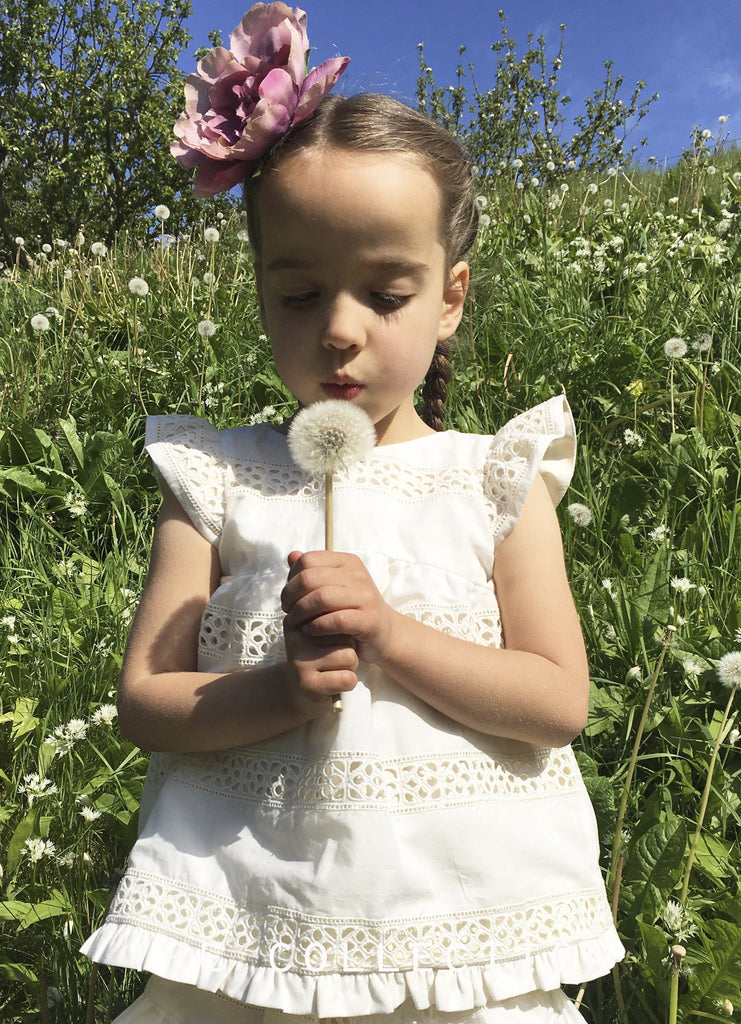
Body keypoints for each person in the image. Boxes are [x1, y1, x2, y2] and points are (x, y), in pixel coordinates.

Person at [82, 5, 624, 1020]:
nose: (339, 329)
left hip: (461, 940)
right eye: (298, 294)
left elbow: (558, 702)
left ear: (450, 298)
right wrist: (282, 691)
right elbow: (146, 700)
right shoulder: (216, 478)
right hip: (251, 928)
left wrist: (389, 633)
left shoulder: (495, 477)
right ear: (257, 293)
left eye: (386, 293)